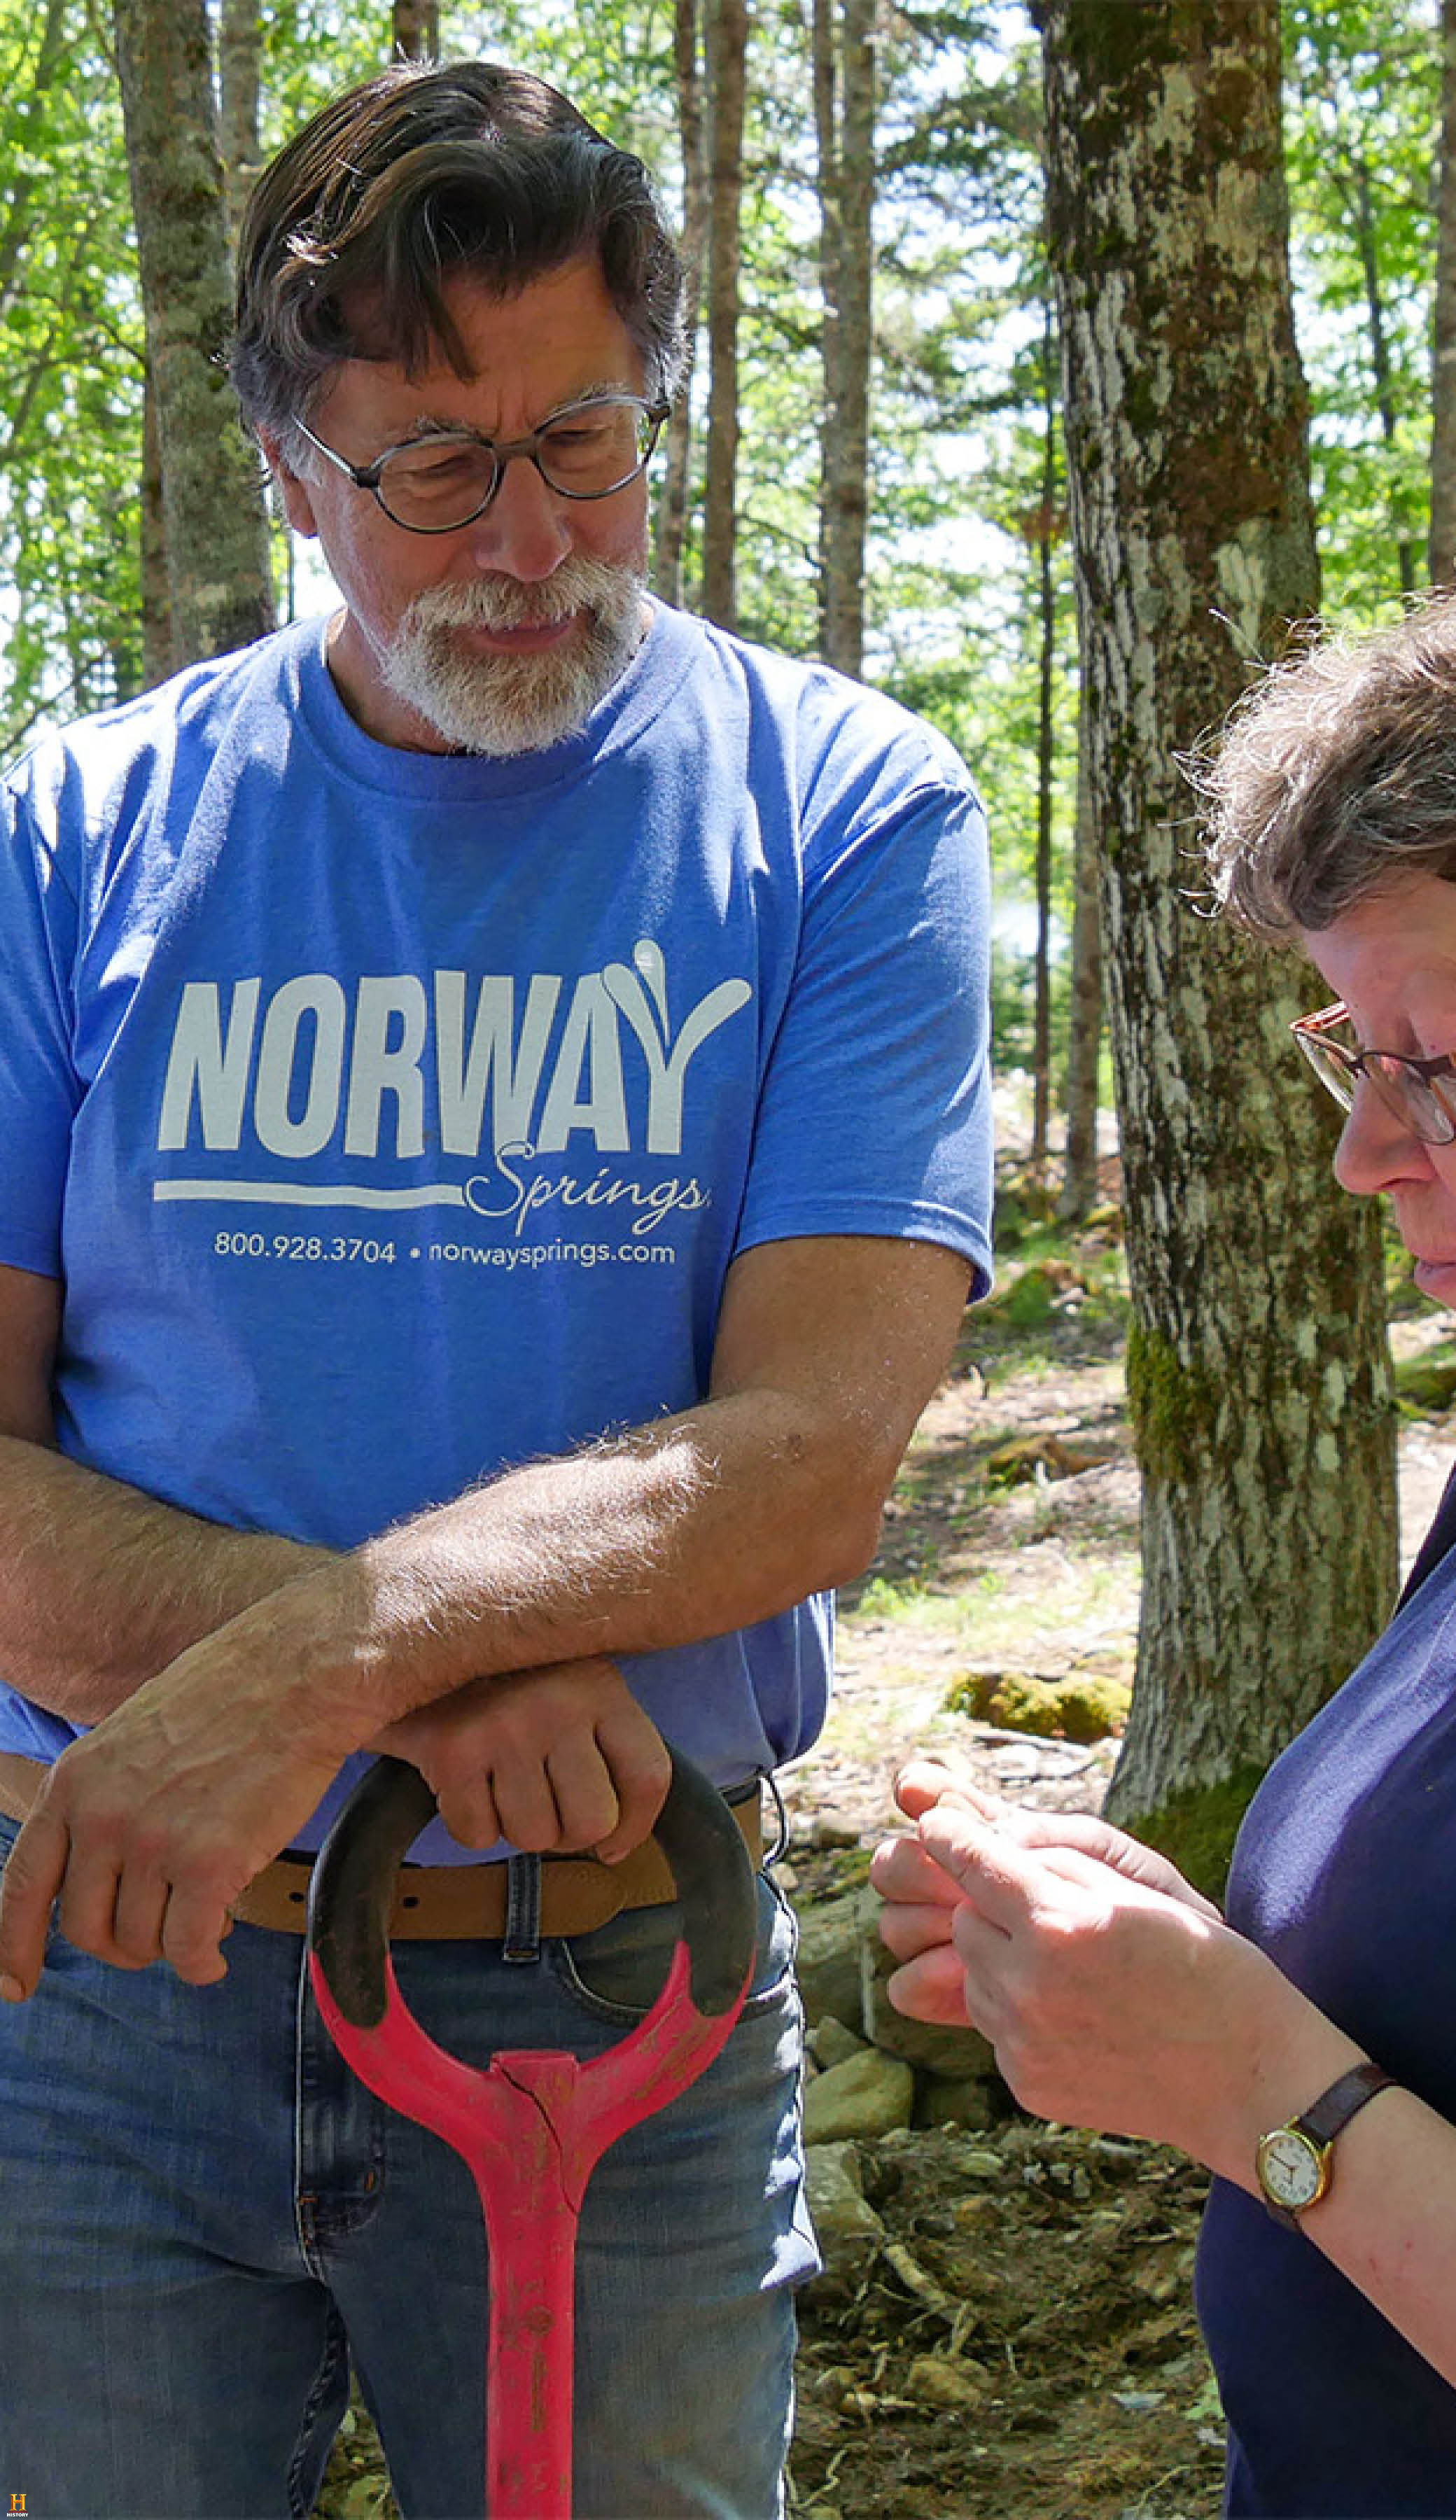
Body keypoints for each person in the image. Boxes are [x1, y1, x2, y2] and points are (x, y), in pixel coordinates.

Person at [0, 59, 992, 2520]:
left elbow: (812, 1457)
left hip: (616, 1969)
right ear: (290, 474)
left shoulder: (847, 810)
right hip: (119, 1976)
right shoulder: (73, 839)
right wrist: (433, 1687)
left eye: (589, 436)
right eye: (435, 466)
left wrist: (330, 1669)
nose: (531, 535)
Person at [872, 505, 1456, 2519]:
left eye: (1431, 1062)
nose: (1362, 1157)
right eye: (1350, 1054)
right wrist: (1150, 1977)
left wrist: (1263, 2094)